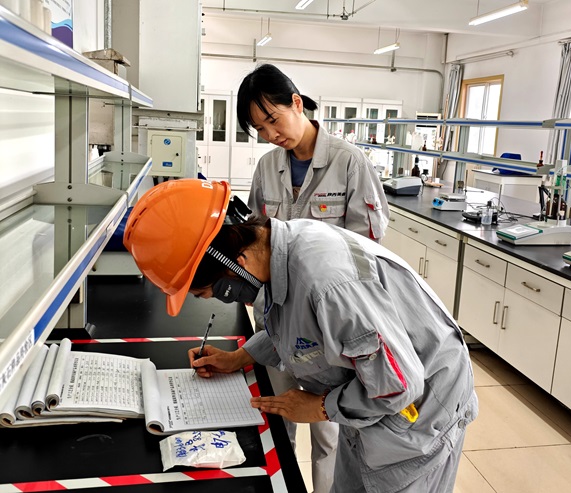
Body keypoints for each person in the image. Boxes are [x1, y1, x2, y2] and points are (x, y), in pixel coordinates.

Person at [123, 179, 478, 493]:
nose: (216, 300)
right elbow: (299, 323)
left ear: (234, 265)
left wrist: (321, 406)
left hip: (419, 412)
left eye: (207, 293)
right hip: (372, 397)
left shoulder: (329, 285)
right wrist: (240, 357)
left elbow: (397, 387)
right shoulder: (276, 250)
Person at [235, 63, 390, 493]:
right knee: (277, 416)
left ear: (296, 103)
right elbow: (255, 235)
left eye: (273, 119)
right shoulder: (267, 167)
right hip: (275, 320)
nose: (271, 134)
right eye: (259, 128)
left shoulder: (348, 162)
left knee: (329, 428)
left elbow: (368, 252)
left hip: (329, 328)